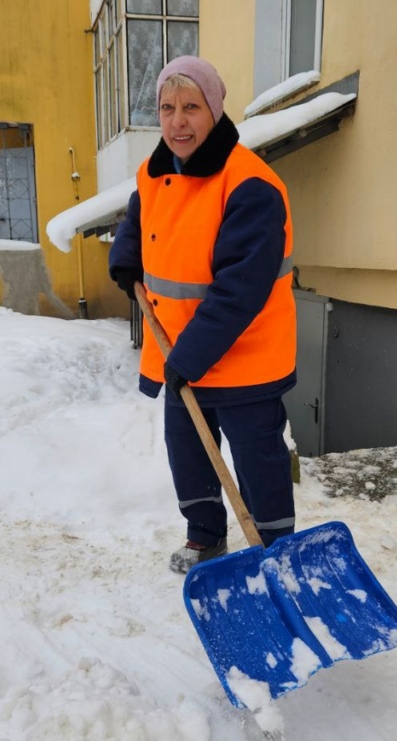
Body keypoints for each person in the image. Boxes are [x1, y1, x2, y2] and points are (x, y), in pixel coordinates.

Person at [108, 56, 298, 574]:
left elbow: (240, 290)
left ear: (214, 110)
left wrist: (188, 355)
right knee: (189, 454)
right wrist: (126, 255)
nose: (177, 121)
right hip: (182, 351)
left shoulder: (250, 185)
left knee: (259, 464)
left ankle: (274, 554)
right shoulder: (158, 168)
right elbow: (140, 210)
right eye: (167, 108)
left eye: (191, 107)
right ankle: (205, 537)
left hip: (245, 358)